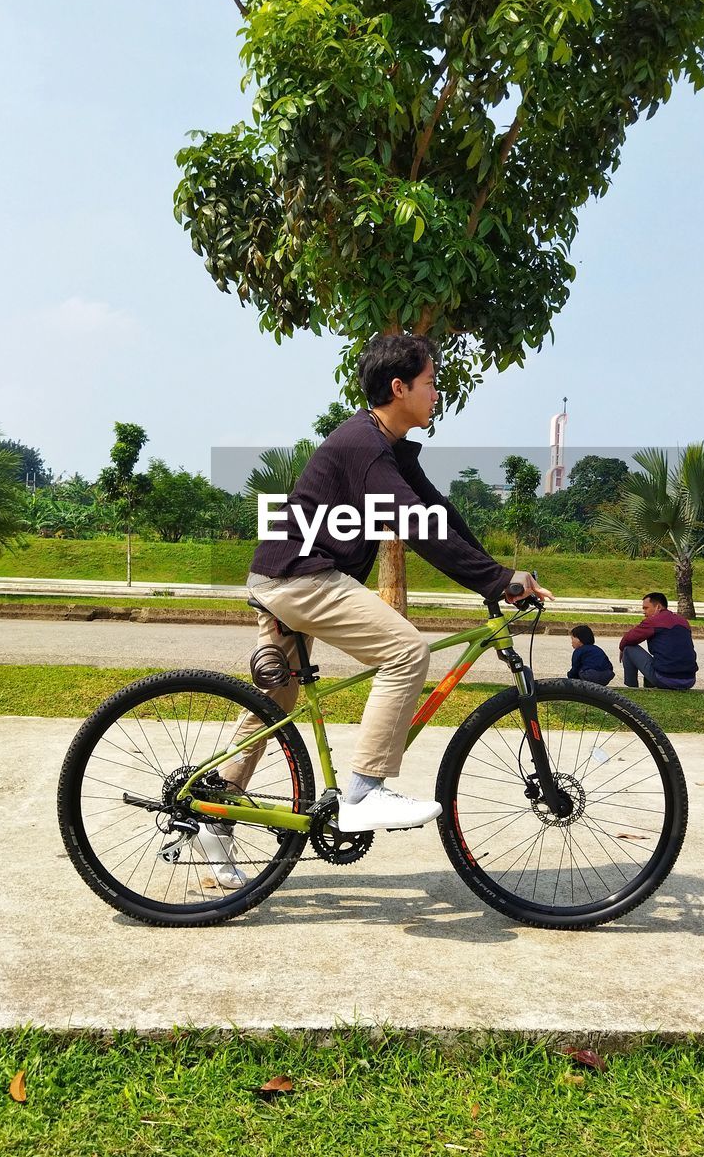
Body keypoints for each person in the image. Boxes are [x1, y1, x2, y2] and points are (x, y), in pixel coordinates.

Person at [201, 335, 555, 887]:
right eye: (432, 382)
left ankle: (212, 818)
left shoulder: (383, 446)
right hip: (301, 575)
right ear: (400, 387)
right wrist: (496, 580)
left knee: (277, 702)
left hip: (289, 574)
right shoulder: (364, 446)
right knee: (406, 650)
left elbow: (437, 512)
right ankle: (365, 791)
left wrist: (494, 578)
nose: (438, 393)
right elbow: (417, 525)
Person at [618, 592, 698, 690]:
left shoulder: (653, 621)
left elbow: (628, 639)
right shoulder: (683, 621)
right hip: (689, 680)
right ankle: (649, 686)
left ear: (658, 607)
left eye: (646, 608)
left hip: (665, 679)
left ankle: (631, 688)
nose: (644, 612)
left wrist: (622, 648)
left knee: (628, 648)